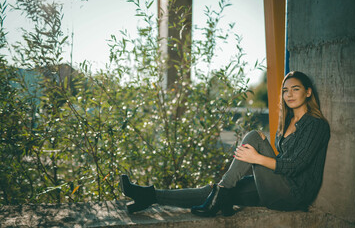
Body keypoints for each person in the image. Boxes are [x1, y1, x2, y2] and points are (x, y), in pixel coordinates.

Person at [119, 71, 331, 217]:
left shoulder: (315, 125)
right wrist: (262, 156)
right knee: (214, 191)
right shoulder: (286, 123)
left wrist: (256, 157)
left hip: (293, 195)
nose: (289, 94)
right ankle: (148, 196)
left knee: (254, 137)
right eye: (286, 90)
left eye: (295, 89)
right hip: (278, 185)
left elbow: (294, 166)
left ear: (308, 92)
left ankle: (221, 193)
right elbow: (283, 163)